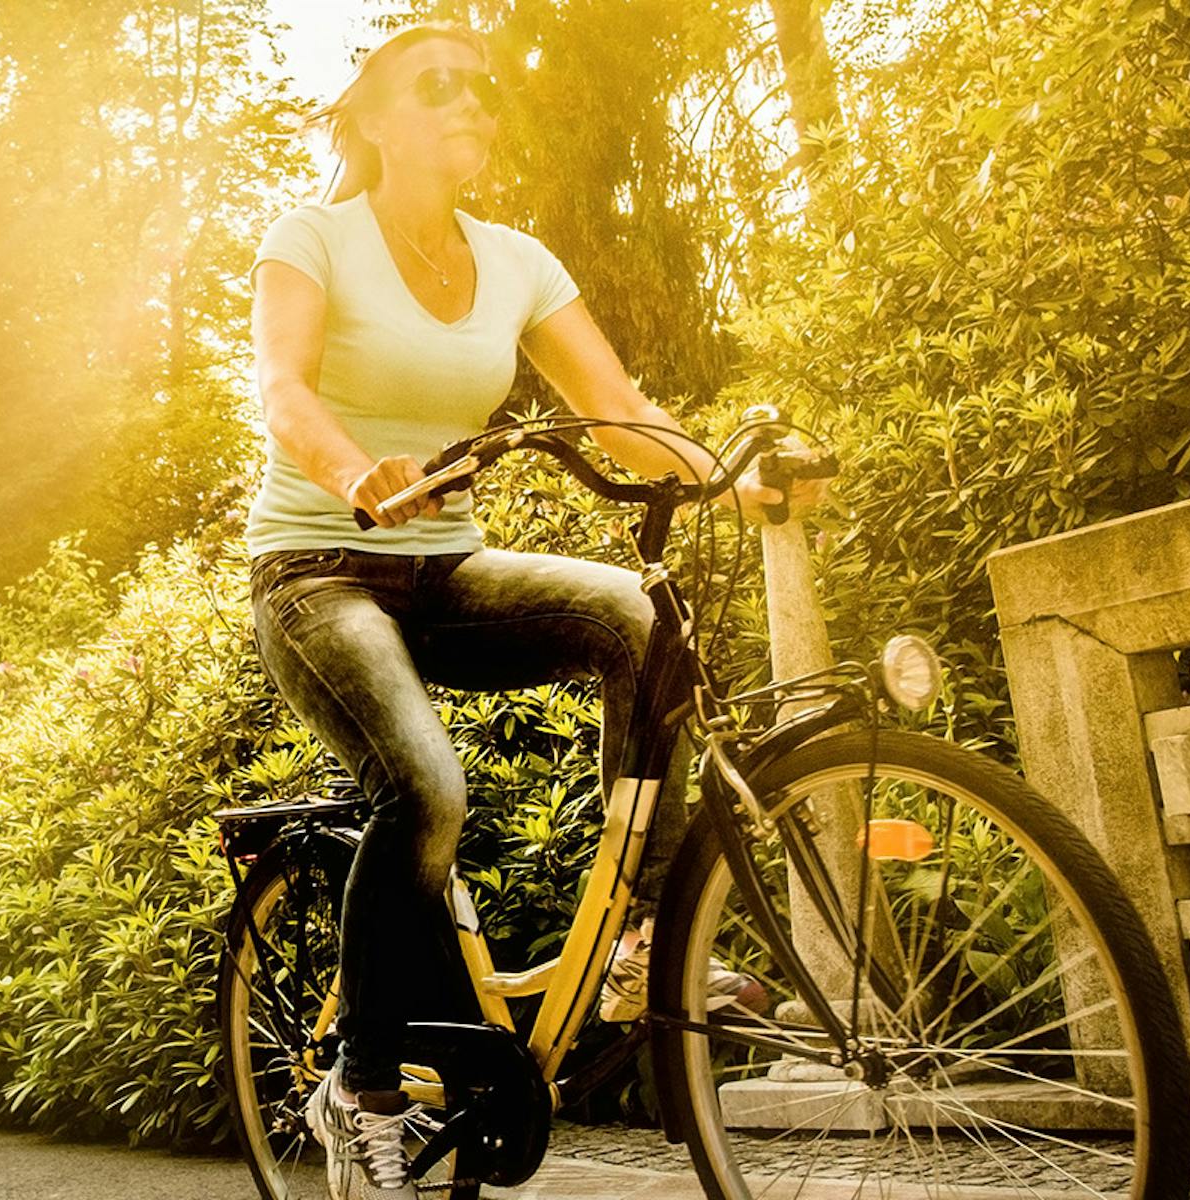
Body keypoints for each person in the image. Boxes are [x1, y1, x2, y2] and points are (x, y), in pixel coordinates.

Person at [245, 26, 822, 1200]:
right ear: (369, 121)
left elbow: (613, 406)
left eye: (481, 87)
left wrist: (724, 473)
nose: (468, 102)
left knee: (638, 616)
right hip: (317, 569)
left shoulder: (518, 262)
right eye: (435, 86)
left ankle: (637, 949)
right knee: (428, 787)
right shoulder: (313, 239)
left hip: (445, 571)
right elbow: (280, 388)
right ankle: (358, 1086)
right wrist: (356, 471)